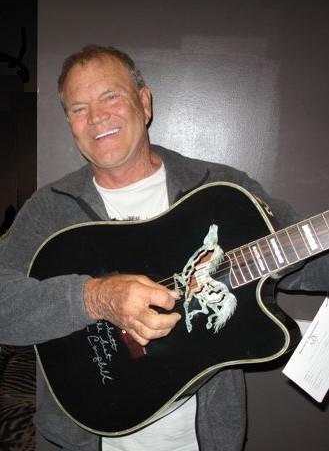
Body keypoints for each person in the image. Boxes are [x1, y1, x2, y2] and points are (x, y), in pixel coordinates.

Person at [0, 45, 328, 451]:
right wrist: (96, 298)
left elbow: (313, 266)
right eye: (78, 108)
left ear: (144, 101)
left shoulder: (222, 190)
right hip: (82, 438)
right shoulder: (49, 208)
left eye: (110, 96)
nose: (97, 117)